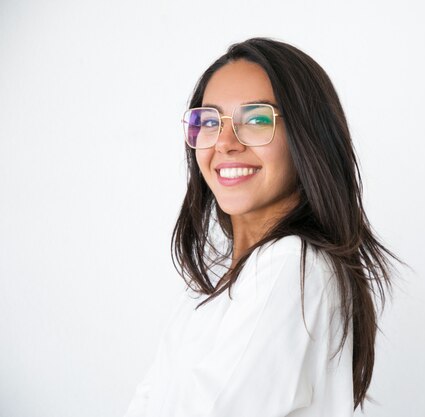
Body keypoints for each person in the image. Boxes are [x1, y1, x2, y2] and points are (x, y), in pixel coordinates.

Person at [123, 37, 400, 417]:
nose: (224, 143)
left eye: (256, 119)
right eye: (208, 121)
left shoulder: (290, 265)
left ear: (307, 137)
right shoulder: (215, 287)